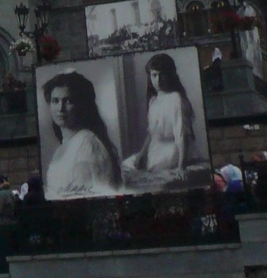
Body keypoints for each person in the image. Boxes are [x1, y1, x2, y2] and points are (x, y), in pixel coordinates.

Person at [42, 70, 122, 199]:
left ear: (82, 105)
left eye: (68, 101)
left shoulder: (87, 144)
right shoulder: (62, 148)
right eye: (55, 101)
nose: (60, 109)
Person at [123, 53, 197, 178]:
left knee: (150, 168)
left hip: (172, 150)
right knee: (127, 164)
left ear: (170, 76)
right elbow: (152, 133)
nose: (158, 80)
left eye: (162, 75)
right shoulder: (153, 101)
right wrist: (142, 154)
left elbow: (181, 134)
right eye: (154, 75)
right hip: (155, 148)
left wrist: (181, 167)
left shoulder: (176, 98)